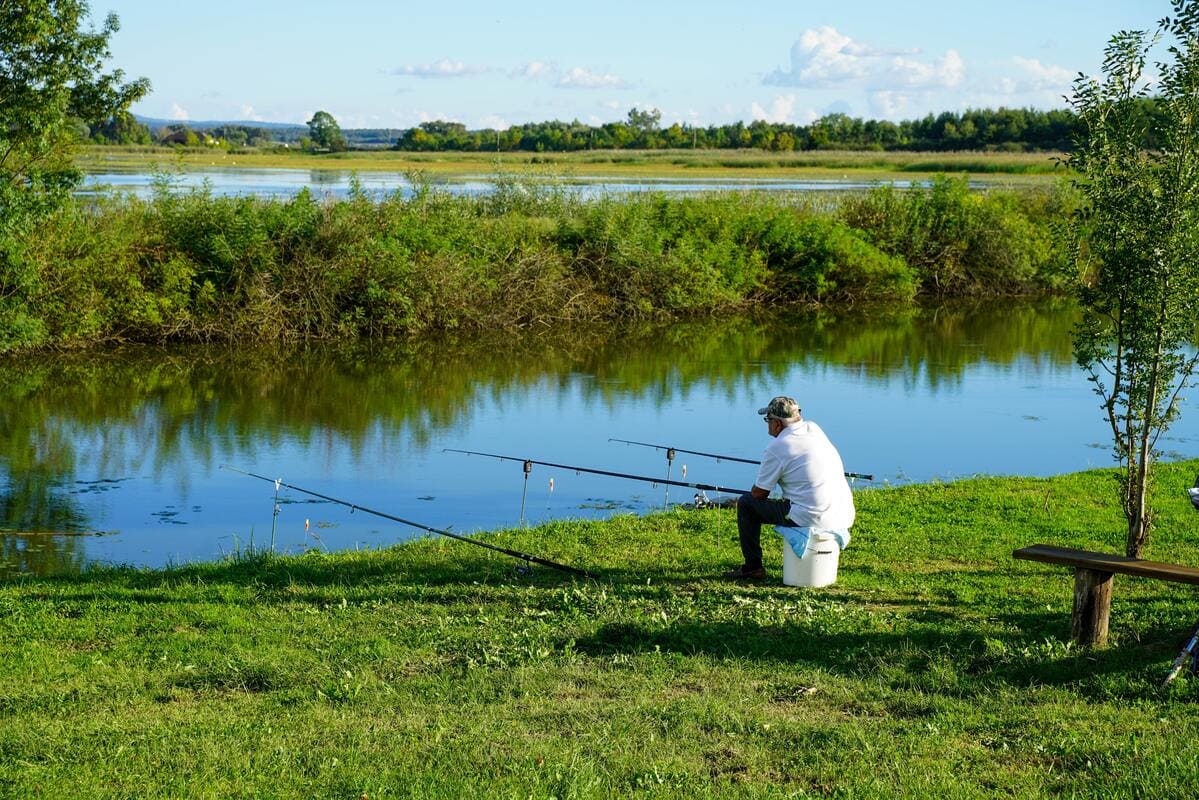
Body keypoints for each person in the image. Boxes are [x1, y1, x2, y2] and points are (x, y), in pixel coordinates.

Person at [724, 396, 855, 580]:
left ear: (777, 424)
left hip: (812, 516)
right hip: (843, 513)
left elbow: (759, 494)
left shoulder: (777, 447)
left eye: (768, 420)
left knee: (746, 503)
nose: (767, 424)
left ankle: (753, 568)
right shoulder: (814, 428)